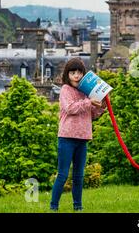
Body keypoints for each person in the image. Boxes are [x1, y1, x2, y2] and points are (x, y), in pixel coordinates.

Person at [50, 58, 106, 211]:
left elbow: (93, 114)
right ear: (67, 75)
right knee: (62, 175)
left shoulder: (86, 92)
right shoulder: (65, 90)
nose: (76, 76)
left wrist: (101, 106)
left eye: (79, 73)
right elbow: (70, 108)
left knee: (78, 176)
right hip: (67, 138)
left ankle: (78, 206)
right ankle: (53, 206)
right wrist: (89, 102)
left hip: (83, 138)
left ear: (83, 75)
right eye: (72, 73)